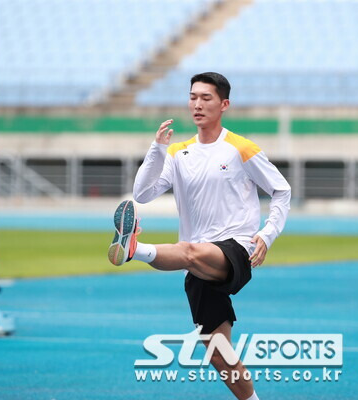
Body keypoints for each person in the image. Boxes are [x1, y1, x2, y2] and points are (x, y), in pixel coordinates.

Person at [108, 72, 291, 400]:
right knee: (219, 354)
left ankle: (134, 248)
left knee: (189, 250)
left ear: (224, 105)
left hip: (235, 248)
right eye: (193, 97)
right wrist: (157, 150)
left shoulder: (241, 148)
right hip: (195, 260)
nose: (197, 104)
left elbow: (281, 190)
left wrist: (268, 234)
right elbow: (143, 193)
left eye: (206, 98)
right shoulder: (178, 152)